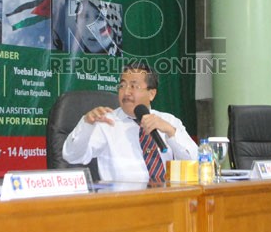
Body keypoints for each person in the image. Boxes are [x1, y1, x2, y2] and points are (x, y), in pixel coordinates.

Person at [62, 61, 198, 182]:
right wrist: (86, 124)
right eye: (122, 86)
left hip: (168, 201)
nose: (126, 92)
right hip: (124, 204)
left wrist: (171, 132)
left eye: (134, 86)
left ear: (152, 94)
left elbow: (196, 163)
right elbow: (71, 156)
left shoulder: (169, 121)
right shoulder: (105, 122)